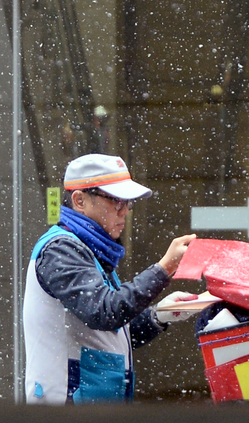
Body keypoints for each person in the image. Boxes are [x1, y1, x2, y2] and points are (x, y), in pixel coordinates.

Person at [23, 153, 196, 405]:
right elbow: (104, 312)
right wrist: (163, 268)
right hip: (65, 414)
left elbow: (113, 335)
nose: (125, 212)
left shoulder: (88, 249)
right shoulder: (60, 249)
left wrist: (160, 315)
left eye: (127, 203)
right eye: (116, 201)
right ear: (79, 200)